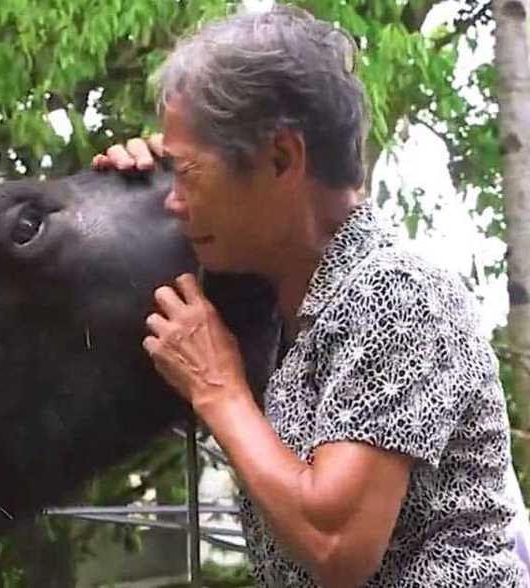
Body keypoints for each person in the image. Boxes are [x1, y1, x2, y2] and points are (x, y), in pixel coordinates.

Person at [92, 5, 529, 587]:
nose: (175, 200)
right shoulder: (279, 303)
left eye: (188, 175)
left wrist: (217, 388)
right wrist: (132, 194)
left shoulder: (395, 294)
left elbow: (337, 544)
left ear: (281, 159)